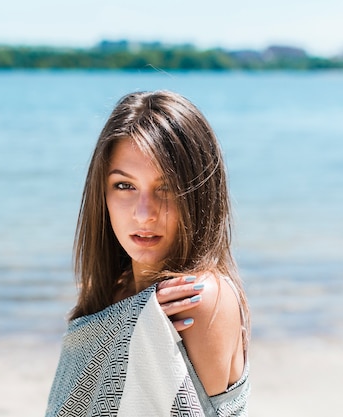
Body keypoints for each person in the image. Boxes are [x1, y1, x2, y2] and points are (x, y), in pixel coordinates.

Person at [45, 91, 250, 416]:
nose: (144, 213)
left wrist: (139, 320)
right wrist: (135, 317)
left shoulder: (202, 298)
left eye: (166, 187)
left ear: (198, 195)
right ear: (103, 195)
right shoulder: (116, 291)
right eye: (125, 186)